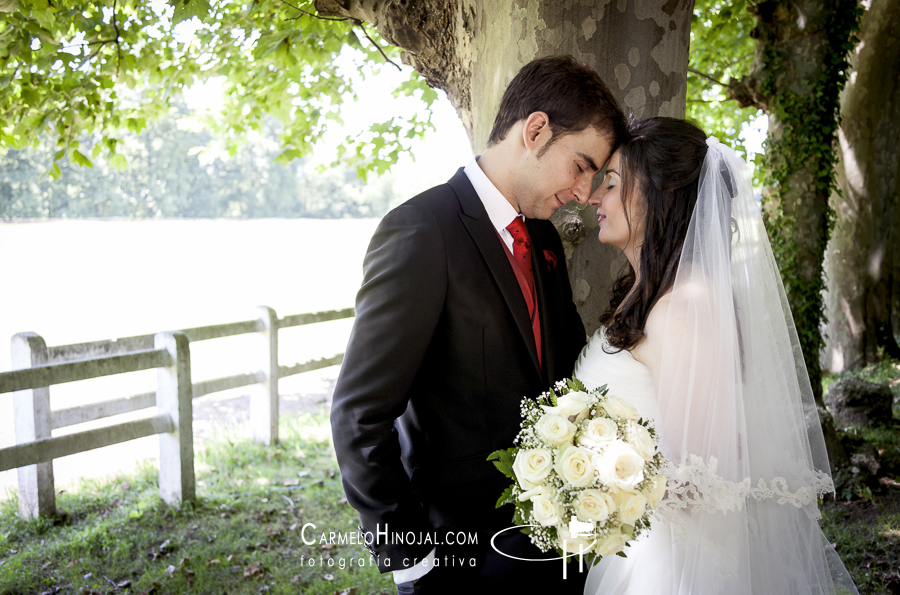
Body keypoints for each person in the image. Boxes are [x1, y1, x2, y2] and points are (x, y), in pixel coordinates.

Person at [330, 55, 626, 595]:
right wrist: (412, 562)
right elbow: (359, 416)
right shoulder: (422, 231)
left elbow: (559, 379)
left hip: (555, 549)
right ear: (535, 130)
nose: (585, 194)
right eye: (581, 165)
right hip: (459, 560)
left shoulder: (544, 239)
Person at [575, 117, 859, 594]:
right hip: (639, 549)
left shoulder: (686, 306)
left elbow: (707, 478)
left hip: (677, 566)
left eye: (613, 183)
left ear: (659, 193)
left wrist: (597, 482)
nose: (595, 197)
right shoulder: (645, 294)